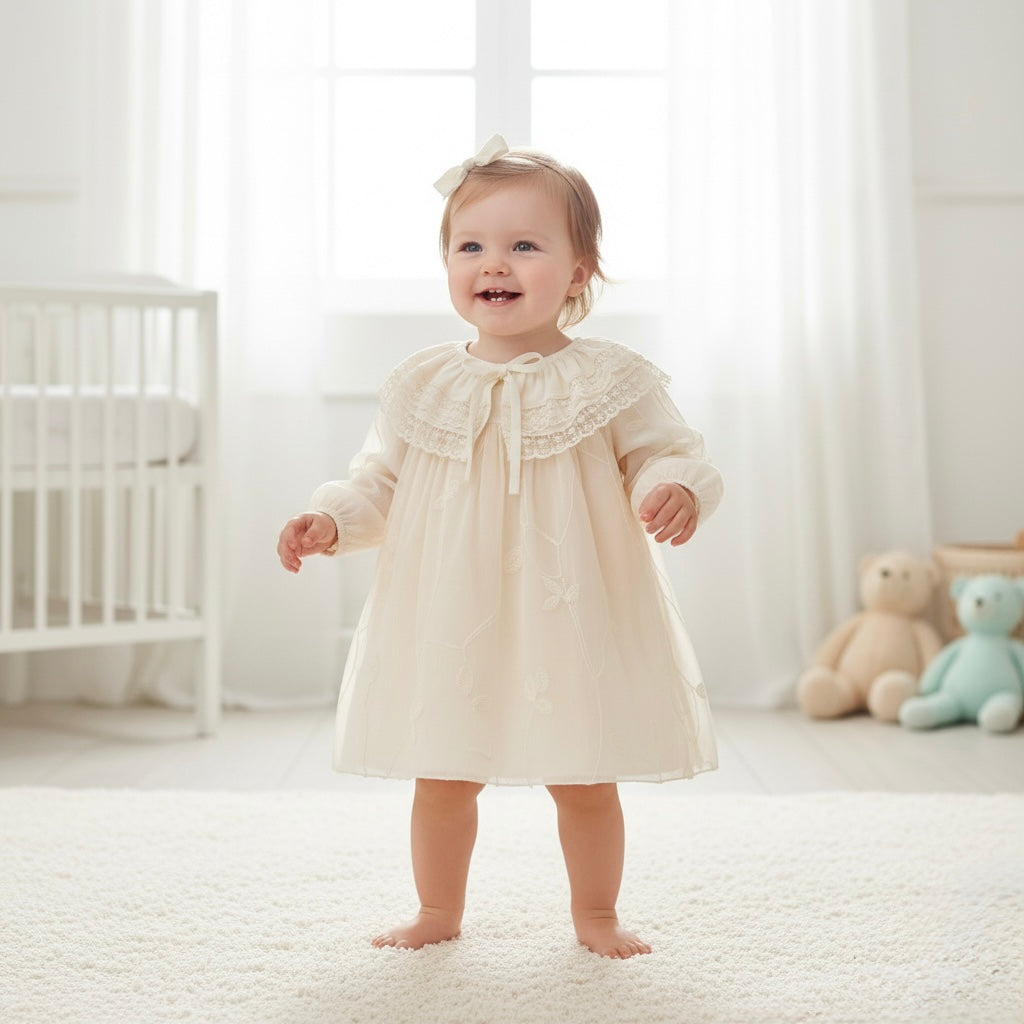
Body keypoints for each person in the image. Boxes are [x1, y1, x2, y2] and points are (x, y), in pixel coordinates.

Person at [277, 135, 723, 960]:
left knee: (584, 773)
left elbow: (665, 450)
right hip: (453, 607)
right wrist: (333, 521)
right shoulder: (422, 382)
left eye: (524, 246)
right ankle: (436, 908)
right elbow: (380, 480)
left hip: (568, 601)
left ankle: (596, 914)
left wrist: (675, 487)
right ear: (448, 263)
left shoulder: (610, 379)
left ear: (579, 272)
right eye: (471, 246)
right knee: (443, 770)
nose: (495, 264)